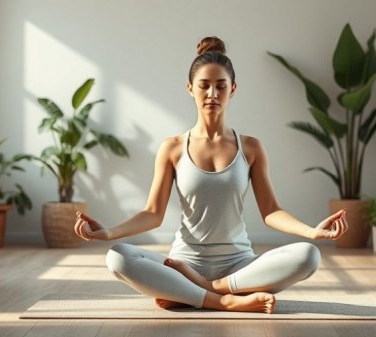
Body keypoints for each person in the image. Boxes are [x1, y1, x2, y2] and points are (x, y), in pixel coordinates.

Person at [74, 36, 348, 314]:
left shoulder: (250, 147)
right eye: (204, 86)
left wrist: (312, 231)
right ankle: (224, 300)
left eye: (221, 86)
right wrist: (109, 232)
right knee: (118, 258)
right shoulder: (172, 148)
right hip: (183, 262)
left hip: (239, 265)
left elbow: (271, 211)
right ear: (190, 89)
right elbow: (153, 213)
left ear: (233, 89)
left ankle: (203, 289)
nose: (212, 94)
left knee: (308, 256)